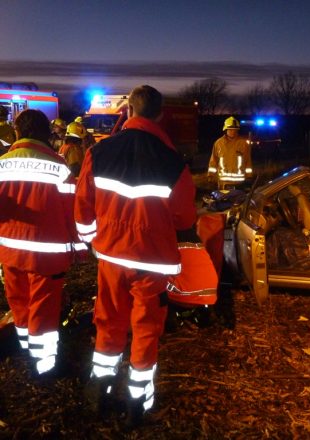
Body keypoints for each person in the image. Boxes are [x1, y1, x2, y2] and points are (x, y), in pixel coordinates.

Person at [74, 85, 197, 427]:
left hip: (111, 256)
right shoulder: (173, 162)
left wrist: (91, 241)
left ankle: (101, 387)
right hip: (151, 262)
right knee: (145, 329)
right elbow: (185, 218)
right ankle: (136, 403)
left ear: (128, 111)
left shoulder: (99, 152)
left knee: (108, 320)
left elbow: (83, 207)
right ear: (160, 115)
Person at [0, 109, 87, 381]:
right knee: (43, 309)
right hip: (46, 255)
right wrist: (80, 250)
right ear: (45, 134)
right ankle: (45, 366)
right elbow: (73, 214)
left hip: (9, 251)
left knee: (19, 303)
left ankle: (27, 350)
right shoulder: (60, 168)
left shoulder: (1, 164)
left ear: (17, 132)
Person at [207, 116, 252, 190]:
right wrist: (210, 176)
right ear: (226, 129)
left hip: (239, 184)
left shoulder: (243, 143)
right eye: (230, 129)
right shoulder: (218, 143)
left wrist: (249, 176)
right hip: (223, 183)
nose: (232, 132)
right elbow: (213, 161)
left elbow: (248, 161)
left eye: (235, 130)